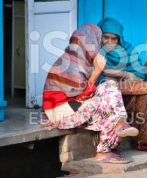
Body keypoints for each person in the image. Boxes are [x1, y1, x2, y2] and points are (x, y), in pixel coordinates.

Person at [42, 23, 139, 164]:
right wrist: (97, 72)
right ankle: (106, 149)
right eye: (97, 41)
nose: (98, 46)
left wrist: (101, 74)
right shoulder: (68, 63)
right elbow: (82, 94)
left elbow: (85, 92)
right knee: (108, 108)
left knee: (109, 86)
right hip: (61, 113)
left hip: (73, 106)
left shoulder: (82, 60)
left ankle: (119, 125)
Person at [97, 17, 147, 153]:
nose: (109, 42)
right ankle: (111, 145)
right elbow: (93, 77)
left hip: (125, 91)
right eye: (105, 37)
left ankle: (145, 141)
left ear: (120, 39)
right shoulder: (95, 51)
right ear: (100, 36)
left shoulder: (128, 50)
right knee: (112, 96)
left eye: (114, 38)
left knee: (143, 92)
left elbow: (140, 76)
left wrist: (121, 74)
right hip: (105, 96)